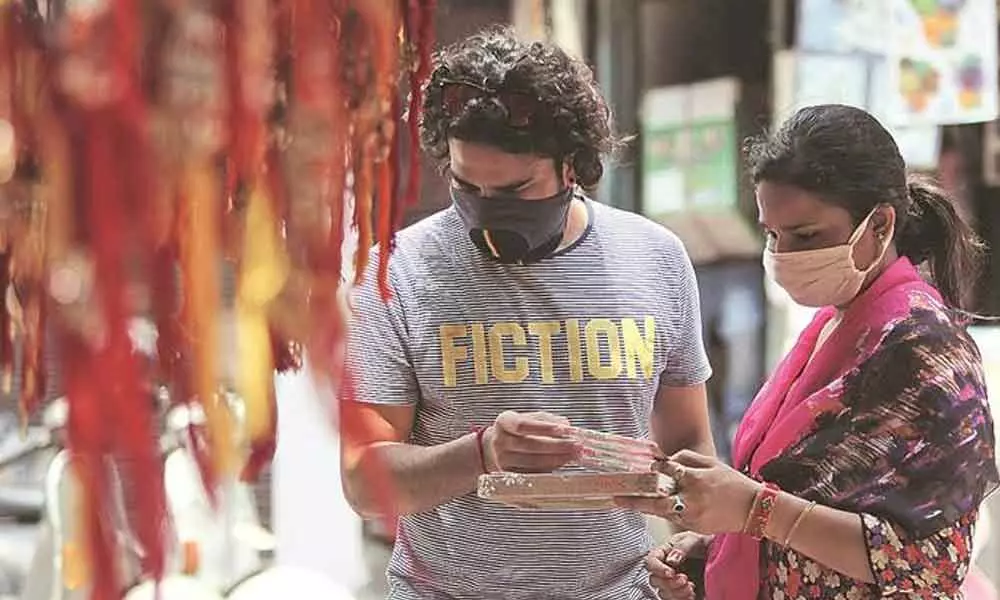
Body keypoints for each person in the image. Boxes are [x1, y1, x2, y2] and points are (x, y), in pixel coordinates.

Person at [341, 27, 715, 599]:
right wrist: (480, 453)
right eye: (467, 186)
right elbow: (364, 484)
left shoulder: (655, 259)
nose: (489, 212)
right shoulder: (395, 273)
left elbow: (690, 450)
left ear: (572, 166)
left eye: (515, 190)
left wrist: (687, 537)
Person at [617, 104, 999, 600]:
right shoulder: (833, 325)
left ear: (880, 225)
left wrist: (755, 511)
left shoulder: (925, 351)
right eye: (772, 234)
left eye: (806, 235)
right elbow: (800, 509)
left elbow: (928, 564)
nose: (784, 255)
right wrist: (717, 547)